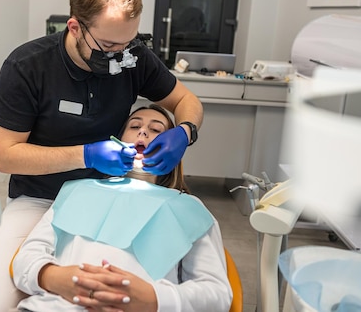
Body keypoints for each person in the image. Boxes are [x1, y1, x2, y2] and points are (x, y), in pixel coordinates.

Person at [0, 0, 204, 311]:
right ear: (75, 27)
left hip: (108, 197)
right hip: (40, 199)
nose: (119, 57)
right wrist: (86, 155)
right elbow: (6, 155)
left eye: (128, 43)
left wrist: (184, 133)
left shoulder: (133, 58)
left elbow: (188, 102)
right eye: (109, 45)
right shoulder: (27, 67)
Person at [12, 105, 231, 312]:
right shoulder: (79, 191)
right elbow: (25, 259)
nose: (143, 132)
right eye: (135, 126)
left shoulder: (188, 209)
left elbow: (218, 293)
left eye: (156, 129)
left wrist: (154, 298)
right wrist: (55, 278)